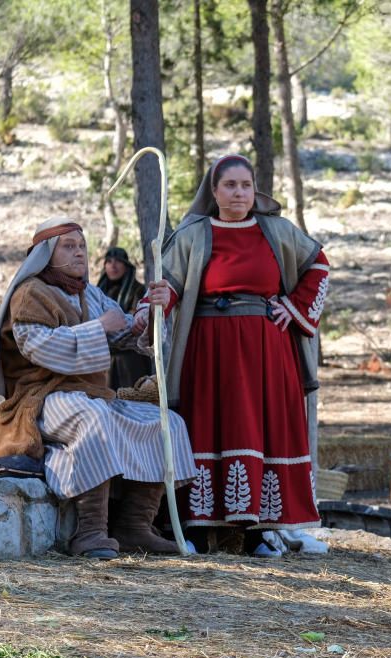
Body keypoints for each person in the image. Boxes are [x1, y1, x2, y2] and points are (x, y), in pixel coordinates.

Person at [0, 217, 198, 560]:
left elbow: (125, 332)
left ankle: (135, 527)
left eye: (82, 246)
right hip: (38, 399)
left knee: (164, 422)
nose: (80, 253)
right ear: (46, 253)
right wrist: (98, 328)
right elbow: (39, 348)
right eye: (69, 246)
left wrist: (149, 316)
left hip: (91, 395)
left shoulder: (88, 293)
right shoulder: (29, 293)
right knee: (93, 418)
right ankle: (90, 533)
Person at [153, 153, 329, 556]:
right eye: (229, 185)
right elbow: (168, 288)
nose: (238, 193)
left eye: (245, 186)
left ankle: (256, 533)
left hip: (267, 350)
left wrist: (296, 308)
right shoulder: (192, 234)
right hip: (207, 348)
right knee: (206, 426)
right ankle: (196, 532)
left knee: (258, 427)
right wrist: (158, 303)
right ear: (213, 192)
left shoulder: (277, 230)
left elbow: (318, 264)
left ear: (255, 190)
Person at [96, 246, 153, 389]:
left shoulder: (138, 290)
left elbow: (135, 321)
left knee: (132, 397)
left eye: (118, 261)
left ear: (126, 265)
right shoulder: (98, 292)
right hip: (105, 358)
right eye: (109, 261)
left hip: (131, 360)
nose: (113, 266)